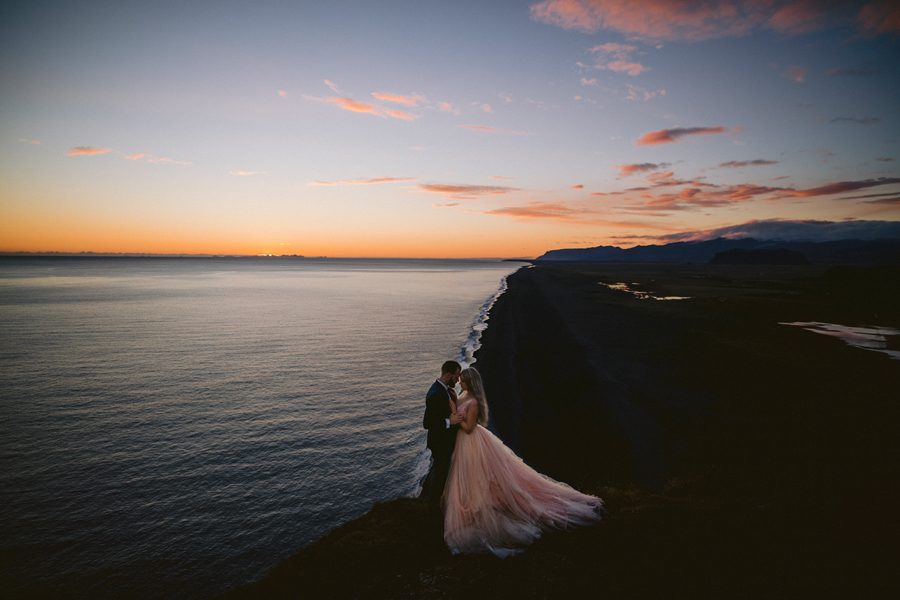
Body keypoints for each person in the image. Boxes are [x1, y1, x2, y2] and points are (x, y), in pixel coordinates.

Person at [442, 367, 603, 557]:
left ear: (470, 381)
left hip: (471, 441)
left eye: (462, 380)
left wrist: (454, 419)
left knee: (481, 476)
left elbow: (469, 428)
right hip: (464, 444)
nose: (460, 382)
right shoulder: (463, 395)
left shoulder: (474, 402)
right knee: (472, 477)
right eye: (459, 379)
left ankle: (486, 508)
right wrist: (454, 404)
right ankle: (475, 508)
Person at [421, 360, 463, 509]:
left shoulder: (444, 389)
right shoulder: (435, 394)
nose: (458, 380)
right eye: (456, 377)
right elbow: (427, 423)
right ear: (449, 374)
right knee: (439, 475)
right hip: (440, 443)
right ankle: (432, 507)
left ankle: (434, 503)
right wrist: (448, 421)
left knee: (441, 473)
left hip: (444, 441)